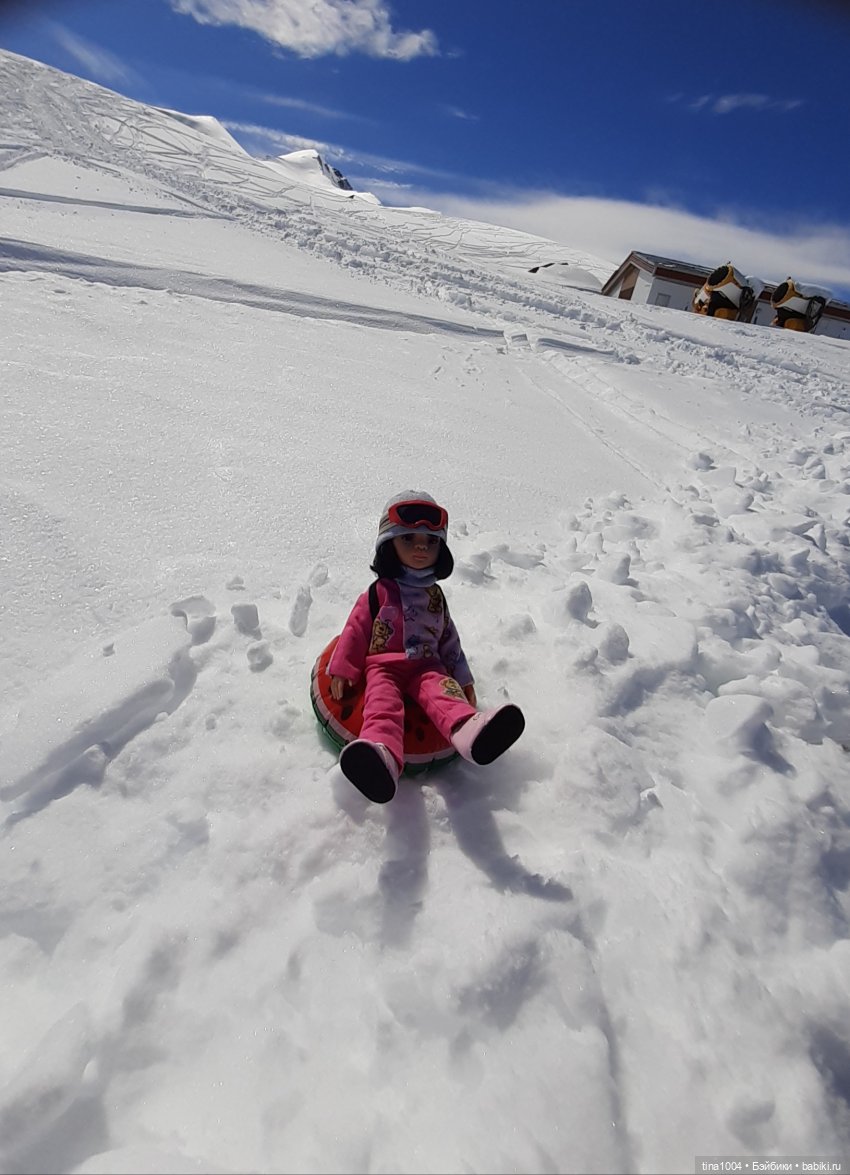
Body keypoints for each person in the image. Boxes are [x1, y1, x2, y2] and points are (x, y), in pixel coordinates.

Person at [328, 492, 525, 803]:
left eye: (431, 541)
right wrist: (343, 668)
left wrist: (462, 677)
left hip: (427, 665)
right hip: (384, 665)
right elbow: (356, 628)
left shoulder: (436, 596)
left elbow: (449, 637)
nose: (421, 547)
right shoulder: (380, 591)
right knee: (381, 705)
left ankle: (470, 733)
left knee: (444, 695)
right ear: (388, 544)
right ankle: (381, 757)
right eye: (409, 539)